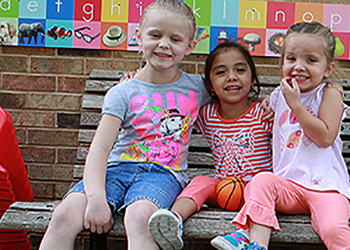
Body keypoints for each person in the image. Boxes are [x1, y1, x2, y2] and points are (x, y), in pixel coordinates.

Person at [38, 1, 211, 250]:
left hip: (163, 174)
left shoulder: (198, 88)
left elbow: (235, 98)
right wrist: (96, 198)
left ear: (189, 47)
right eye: (155, 35)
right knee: (64, 214)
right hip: (116, 170)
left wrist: (269, 104)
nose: (164, 44)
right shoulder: (123, 92)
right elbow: (99, 149)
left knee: (142, 217)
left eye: (175, 38)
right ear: (138, 37)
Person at [214, 21, 350, 250]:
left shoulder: (330, 92)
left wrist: (296, 105)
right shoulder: (280, 94)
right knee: (261, 181)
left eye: (311, 60)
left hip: (327, 188)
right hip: (289, 186)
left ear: (328, 69)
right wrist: (270, 103)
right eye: (291, 59)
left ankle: (244, 233)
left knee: (334, 229)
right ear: (282, 62)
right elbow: (272, 110)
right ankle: (255, 243)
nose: (299, 66)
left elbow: (325, 137)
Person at [147, 41, 273, 250]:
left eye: (240, 70)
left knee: (260, 187)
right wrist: (136, 79)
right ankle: (174, 219)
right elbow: (171, 111)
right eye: (221, 72)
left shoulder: (264, 112)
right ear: (210, 86)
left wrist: (274, 100)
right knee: (201, 181)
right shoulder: (206, 114)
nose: (231, 77)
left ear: (252, 78)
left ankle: (243, 235)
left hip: (258, 194)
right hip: (224, 190)